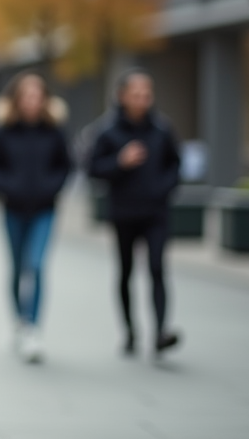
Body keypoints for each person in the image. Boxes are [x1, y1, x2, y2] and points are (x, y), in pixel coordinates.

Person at [88, 69, 182, 357]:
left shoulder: (162, 129)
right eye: (136, 94)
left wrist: (162, 189)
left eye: (147, 94)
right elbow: (93, 169)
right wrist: (120, 162)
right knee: (126, 271)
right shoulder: (107, 131)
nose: (143, 100)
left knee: (156, 268)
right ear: (122, 96)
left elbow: (175, 165)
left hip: (155, 212)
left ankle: (160, 332)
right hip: (124, 212)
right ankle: (129, 331)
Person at [0, 72, 72, 364]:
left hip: (44, 209)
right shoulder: (3, 130)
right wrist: (7, 188)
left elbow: (65, 166)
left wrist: (51, 188)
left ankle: (32, 328)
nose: (32, 102)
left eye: (38, 96)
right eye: (27, 96)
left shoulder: (54, 131)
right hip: (13, 209)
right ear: (17, 100)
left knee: (36, 265)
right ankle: (19, 322)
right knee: (18, 268)